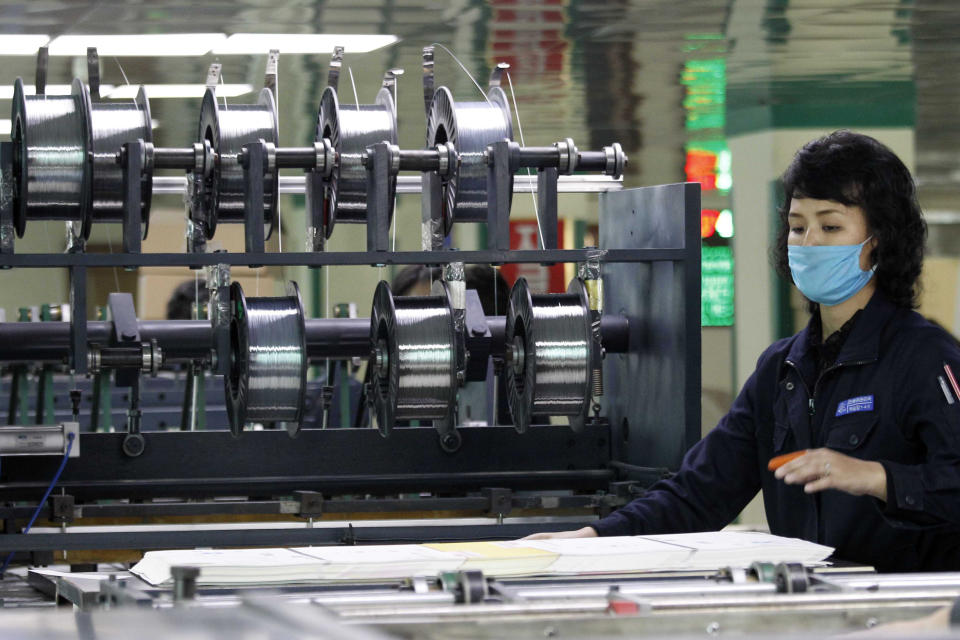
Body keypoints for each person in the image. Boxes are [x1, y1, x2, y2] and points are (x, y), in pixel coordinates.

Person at [527, 130, 960, 572]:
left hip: (914, 609)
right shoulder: (781, 370)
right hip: (816, 608)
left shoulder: (924, 357)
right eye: (797, 226)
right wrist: (595, 538)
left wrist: (878, 478)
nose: (808, 243)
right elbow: (701, 492)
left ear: (880, 242)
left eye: (830, 226)